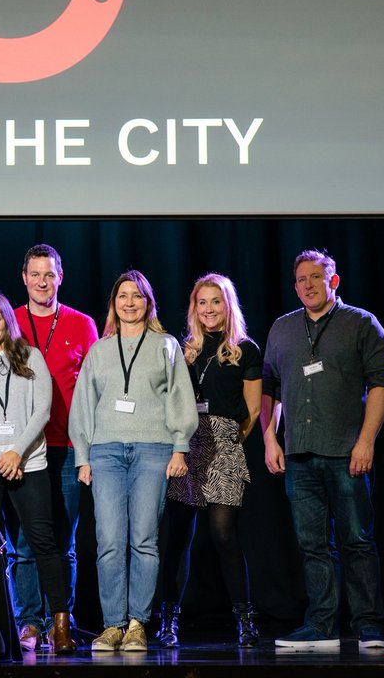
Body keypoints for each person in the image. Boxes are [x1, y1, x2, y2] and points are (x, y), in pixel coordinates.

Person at [261, 250, 384, 652]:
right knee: (312, 545)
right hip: (299, 455)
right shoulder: (283, 329)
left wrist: (367, 441)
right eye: (300, 279)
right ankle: (321, 626)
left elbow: (381, 382)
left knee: (356, 540)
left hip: (345, 451)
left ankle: (368, 624)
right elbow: (269, 387)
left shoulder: (360, 323)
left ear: (333, 281)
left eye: (315, 277)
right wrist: (270, 439)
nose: (307, 285)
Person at [69, 270, 198, 652]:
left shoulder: (165, 345)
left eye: (136, 296)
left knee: (144, 539)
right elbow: (83, 406)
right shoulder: (99, 350)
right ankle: (112, 625)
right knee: (108, 540)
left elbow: (180, 398)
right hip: (105, 451)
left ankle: (138, 624)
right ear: (113, 303)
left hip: (152, 449)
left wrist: (180, 447)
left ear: (147, 302)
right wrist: (82, 456)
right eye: (122, 296)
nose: (129, 302)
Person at [0, 291, 77, 654]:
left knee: (44, 542)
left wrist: (16, 453)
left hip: (30, 462)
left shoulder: (31, 357)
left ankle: (59, 626)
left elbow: (42, 411)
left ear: (7, 321)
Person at [158, 273, 262, 648]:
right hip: (186, 444)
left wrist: (231, 443)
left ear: (227, 304)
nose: (208, 309)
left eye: (215, 301)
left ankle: (245, 620)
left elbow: (251, 409)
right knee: (177, 538)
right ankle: (168, 621)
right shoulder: (181, 350)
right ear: (194, 308)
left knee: (224, 535)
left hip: (224, 443)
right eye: (201, 302)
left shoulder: (245, 350)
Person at [7, 244, 98, 651]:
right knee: (26, 540)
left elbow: (94, 390)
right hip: (25, 449)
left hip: (67, 445)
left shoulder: (83, 324)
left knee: (64, 541)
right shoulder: (9, 322)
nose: (42, 282)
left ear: (60, 277)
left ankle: (59, 619)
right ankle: (28, 621)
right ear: (24, 278)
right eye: (35, 274)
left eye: (50, 274)